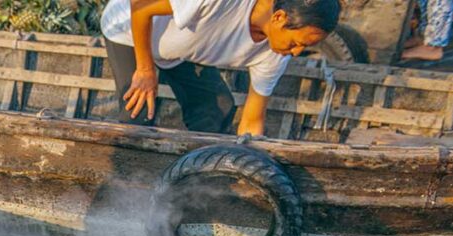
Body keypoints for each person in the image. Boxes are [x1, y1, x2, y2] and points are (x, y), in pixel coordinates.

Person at [99, 0, 340, 135]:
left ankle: (190, 187)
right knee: (138, 114)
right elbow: (141, 6)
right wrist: (145, 70)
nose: (296, 52)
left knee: (219, 108)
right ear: (279, 18)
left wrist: (250, 164)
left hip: (180, 49)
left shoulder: (276, 54)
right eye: (297, 43)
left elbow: (253, 121)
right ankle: (127, 189)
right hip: (129, 30)